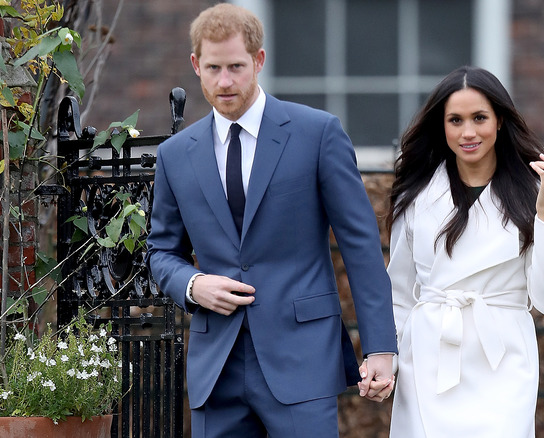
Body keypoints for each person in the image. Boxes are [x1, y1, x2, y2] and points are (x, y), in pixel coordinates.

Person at [146, 4, 396, 437]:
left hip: (301, 360)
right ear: (196, 66)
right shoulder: (174, 155)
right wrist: (192, 284)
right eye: (214, 68)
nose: (225, 81)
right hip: (216, 368)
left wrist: (380, 348)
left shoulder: (318, 133)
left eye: (237, 67)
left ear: (259, 61)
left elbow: (360, 245)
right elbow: (160, 251)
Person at [365, 66, 544, 437]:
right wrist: (386, 359)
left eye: (479, 118)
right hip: (429, 355)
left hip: (503, 358)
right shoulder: (417, 196)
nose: (468, 132)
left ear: (501, 120)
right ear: (441, 127)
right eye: (455, 120)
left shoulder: (538, 194)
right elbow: (398, 292)